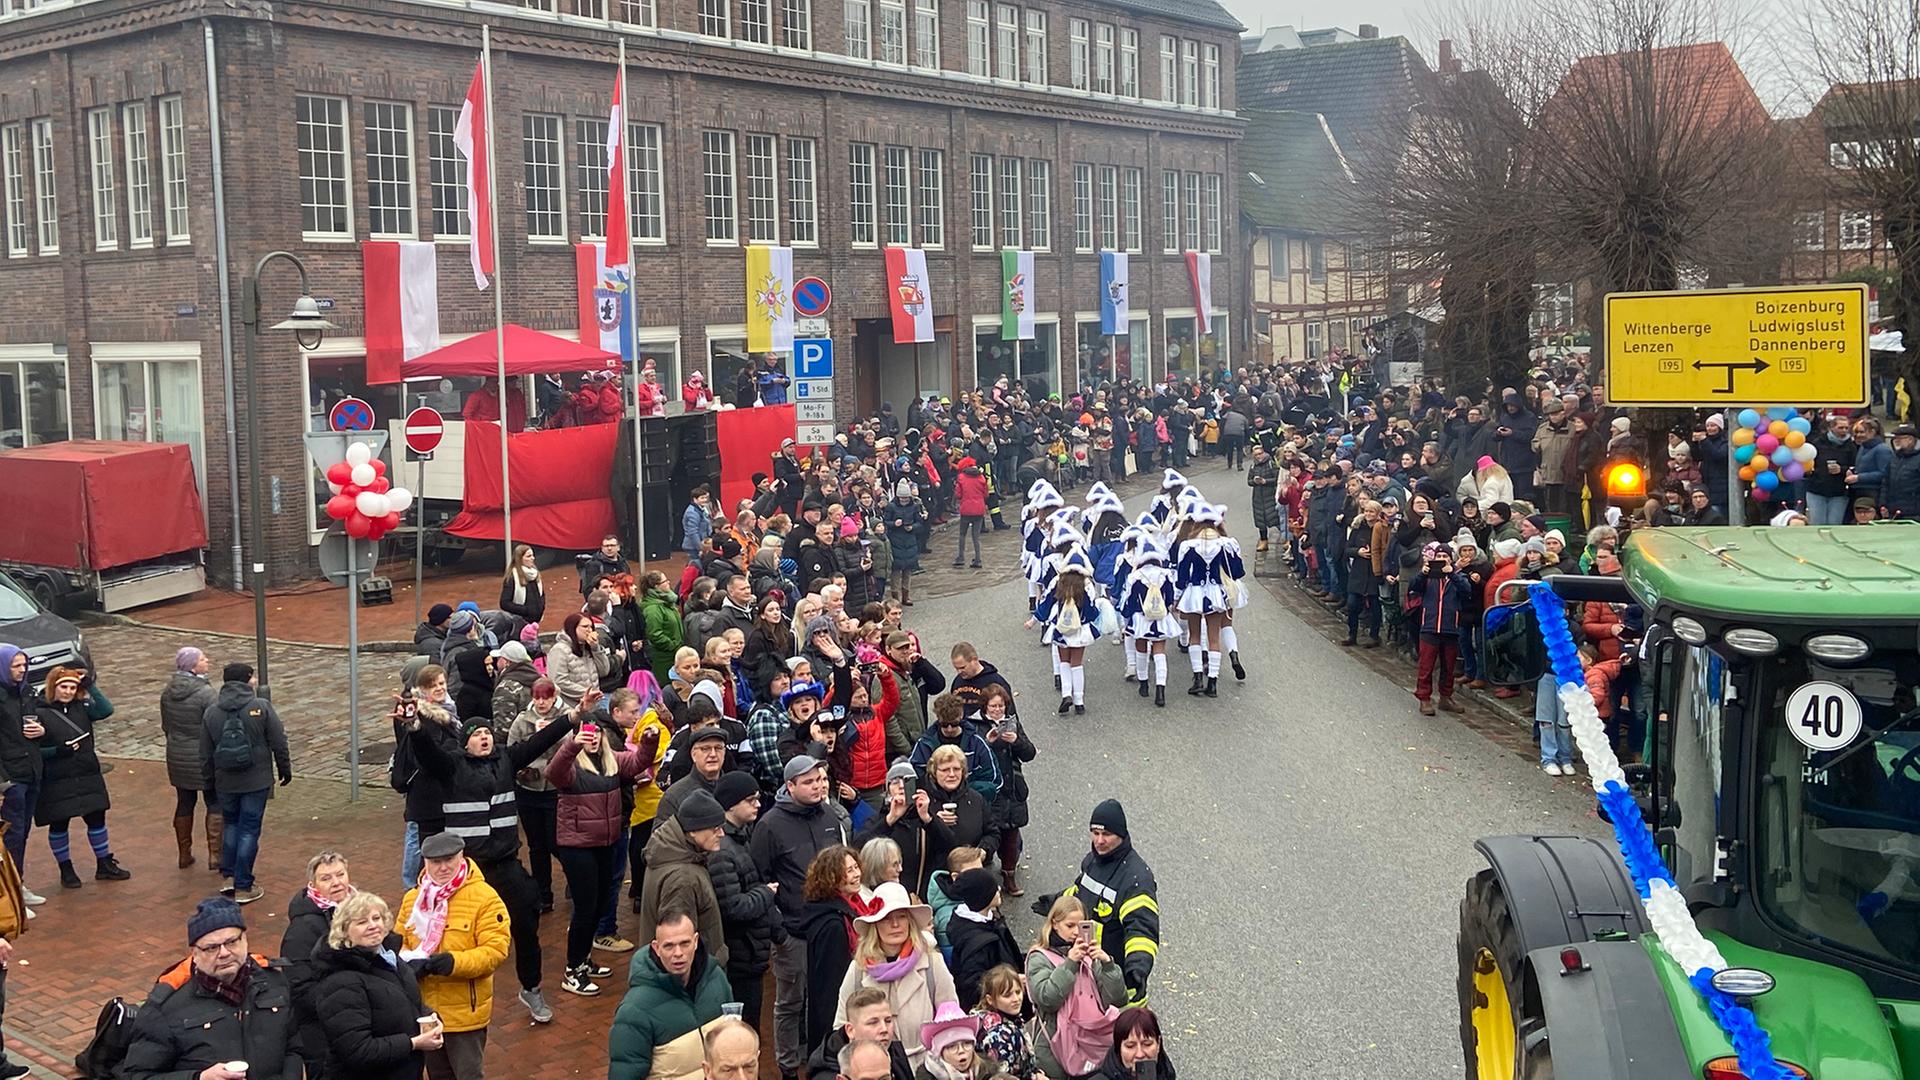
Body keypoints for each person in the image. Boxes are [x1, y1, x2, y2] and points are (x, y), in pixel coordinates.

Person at [403, 693, 576, 1024]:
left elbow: (540, 741)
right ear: (465, 743)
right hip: (466, 870)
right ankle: (431, 990)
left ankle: (531, 987)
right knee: (441, 928)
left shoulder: (506, 760)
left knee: (527, 917)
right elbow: (428, 753)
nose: (484, 738)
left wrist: (572, 717)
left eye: (487, 733)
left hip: (505, 864)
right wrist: (413, 727)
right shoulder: (451, 767)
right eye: (476, 735)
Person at [544, 697, 663, 996]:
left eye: (596, 733)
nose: (593, 739)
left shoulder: (613, 760)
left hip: (605, 842)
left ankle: (584, 959)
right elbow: (553, 773)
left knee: (598, 904)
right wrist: (572, 744)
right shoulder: (572, 766)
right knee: (585, 908)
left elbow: (638, 763)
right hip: (577, 845)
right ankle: (572, 970)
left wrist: (651, 739)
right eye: (588, 734)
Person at [121, 898, 301, 1080]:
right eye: (211, 948)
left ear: (244, 940)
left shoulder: (274, 983)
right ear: (195, 954)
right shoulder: (165, 1008)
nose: (224, 953)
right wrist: (199, 1078)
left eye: (231, 942)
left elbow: (293, 1048)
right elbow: (137, 1075)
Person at [755, 755, 854, 1077]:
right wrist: (779, 929)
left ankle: (819, 1060)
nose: (819, 786)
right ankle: (786, 1068)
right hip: (793, 931)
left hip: (828, 927)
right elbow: (760, 879)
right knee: (790, 1002)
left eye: (821, 780)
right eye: (809, 781)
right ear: (790, 786)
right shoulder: (770, 825)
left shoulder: (829, 815)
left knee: (824, 999)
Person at [398, 833, 509, 1079]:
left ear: (462, 857)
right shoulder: (412, 900)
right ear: (425, 862)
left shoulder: (485, 898)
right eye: (435, 862)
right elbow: (398, 945)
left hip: (465, 1016)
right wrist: (407, 966)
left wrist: (453, 963)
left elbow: (495, 950)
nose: (443, 867)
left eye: (449, 859)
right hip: (426, 1013)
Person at [310, 891, 441, 1080]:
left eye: (376, 918)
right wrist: (413, 1043)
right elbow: (357, 1050)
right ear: (344, 930)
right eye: (362, 922)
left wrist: (430, 1017)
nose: (372, 926)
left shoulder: (389, 958)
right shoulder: (340, 982)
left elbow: (406, 1000)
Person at [834, 881, 960, 1070]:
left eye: (901, 917)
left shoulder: (933, 964)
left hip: (925, 1070)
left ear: (910, 921)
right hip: (875, 1070)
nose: (895, 924)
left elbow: (951, 1021)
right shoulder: (858, 969)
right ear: (875, 924)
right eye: (886, 918)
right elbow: (842, 1026)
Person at [201, 662, 292, 904]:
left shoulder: (212, 711)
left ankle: (229, 876)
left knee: (231, 825)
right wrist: (285, 769)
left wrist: (208, 782)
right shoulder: (260, 707)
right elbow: (278, 741)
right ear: (246, 680)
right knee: (249, 829)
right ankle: (243, 885)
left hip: (225, 782)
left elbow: (205, 752)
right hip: (256, 780)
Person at [608, 908, 735, 1080]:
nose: (678, 953)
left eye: (685, 943)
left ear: (696, 942)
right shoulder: (634, 1011)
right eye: (669, 946)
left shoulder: (716, 979)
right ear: (656, 948)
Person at [31, 666, 129, 890]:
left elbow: (105, 710)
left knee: (96, 818)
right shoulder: (40, 712)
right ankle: (66, 869)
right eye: (63, 686)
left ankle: (104, 863)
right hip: (57, 777)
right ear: (53, 687)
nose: (67, 691)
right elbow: (33, 750)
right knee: (59, 823)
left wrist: (89, 685)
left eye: (72, 687)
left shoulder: (81, 707)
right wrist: (57, 751)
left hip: (86, 773)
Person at [1058, 801, 1157, 1007]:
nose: (1099, 841)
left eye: (1107, 835)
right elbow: (1080, 893)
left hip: (1117, 978)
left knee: (1125, 1037)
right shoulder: (1093, 861)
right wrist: (1057, 901)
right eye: (1094, 833)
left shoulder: (1136, 878)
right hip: (1088, 966)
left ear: (1121, 835)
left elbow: (1142, 929)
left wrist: (1137, 968)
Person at [708, 771, 779, 1035]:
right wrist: (765, 893)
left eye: (758, 798)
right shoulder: (723, 852)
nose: (758, 805)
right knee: (742, 1030)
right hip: (741, 956)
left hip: (750, 951)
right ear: (729, 805)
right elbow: (732, 907)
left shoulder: (741, 837)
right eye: (750, 800)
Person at [1028, 895, 1128, 1080]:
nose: (1075, 932)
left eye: (1080, 926)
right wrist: (1070, 964)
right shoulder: (1039, 957)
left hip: (1092, 1043)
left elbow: (1118, 999)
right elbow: (1046, 999)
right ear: (1054, 924)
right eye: (1069, 925)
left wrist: (1107, 965)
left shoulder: (1090, 958)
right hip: (1055, 1048)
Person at [636, 790, 731, 975]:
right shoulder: (682, 879)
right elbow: (678, 949)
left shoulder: (671, 852)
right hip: (697, 977)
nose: (721, 834)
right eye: (715, 828)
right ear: (693, 831)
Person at [283, 850, 356, 1078]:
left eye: (340, 874)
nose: (336, 883)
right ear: (313, 884)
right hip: (323, 1037)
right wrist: (345, 1006)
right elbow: (299, 986)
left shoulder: (362, 912)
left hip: (357, 1029)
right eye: (326, 878)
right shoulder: (302, 929)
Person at [161, 646, 220, 870]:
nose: (208, 661)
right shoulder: (207, 694)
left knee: (185, 802)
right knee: (214, 802)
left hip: (177, 756)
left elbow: (166, 725)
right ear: (193, 666)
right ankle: (215, 855)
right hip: (203, 756)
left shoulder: (167, 692)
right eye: (203, 659)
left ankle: (184, 854)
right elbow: (214, 726)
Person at [1030, 548, 1101, 714]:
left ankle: (1066, 694)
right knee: (1077, 664)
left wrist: (1034, 620)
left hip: (1062, 629)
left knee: (1064, 662)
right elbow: (1091, 612)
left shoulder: (1058, 582)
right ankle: (1079, 701)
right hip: (1080, 629)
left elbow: (1046, 604)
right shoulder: (1086, 585)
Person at [1406, 542, 1472, 717]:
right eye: (1439, 557)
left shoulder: (1458, 576)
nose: (1442, 560)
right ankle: (1424, 697)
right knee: (1426, 665)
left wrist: (1452, 573)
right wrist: (1423, 573)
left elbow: (1466, 590)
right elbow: (1413, 587)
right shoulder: (1428, 577)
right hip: (1429, 625)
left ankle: (1446, 696)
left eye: (1445, 557)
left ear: (1451, 559)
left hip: (1450, 627)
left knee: (1448, 666)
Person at [945, 868, 1021, 1012]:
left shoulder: (987, 920)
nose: (999, 888)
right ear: (983, 898)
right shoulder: (977, 944)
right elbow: (972, 988)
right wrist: (1009, 984)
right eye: (993, 888)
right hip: (997, 1012)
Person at [808, 987, 915, 1080]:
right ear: (850, 1030)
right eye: (873, 1023)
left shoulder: (895, 1052)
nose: (884, 1029)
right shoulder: (825, 1072)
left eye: (888, 1021)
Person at [548, 611, 613, 710]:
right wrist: (586, 693)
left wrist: (596, 649)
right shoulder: (560, 650)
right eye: (585, 627)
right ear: (573, 628)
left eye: (591, 627)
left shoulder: (588, 648)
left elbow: (604, 671)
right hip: (571, 706)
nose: (589, 630)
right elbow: (558, 681)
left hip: (593, 705)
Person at [1094, 1008, 1174, 1079]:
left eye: (1147, 1044)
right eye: (1130, 1046)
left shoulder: (1167, 1072)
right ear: (1119, 1049)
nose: (1140, 1054)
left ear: (1158, 1043)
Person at [499, 544, 546, 631]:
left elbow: (541, 594)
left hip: (535, 622)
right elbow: (504, 603)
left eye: (532, 555)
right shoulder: (512, 577)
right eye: (528, 556)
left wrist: (541, 607)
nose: (533, 558)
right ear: (520, 559)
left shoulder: (535, 574)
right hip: (520, 623)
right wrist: (525, 610)